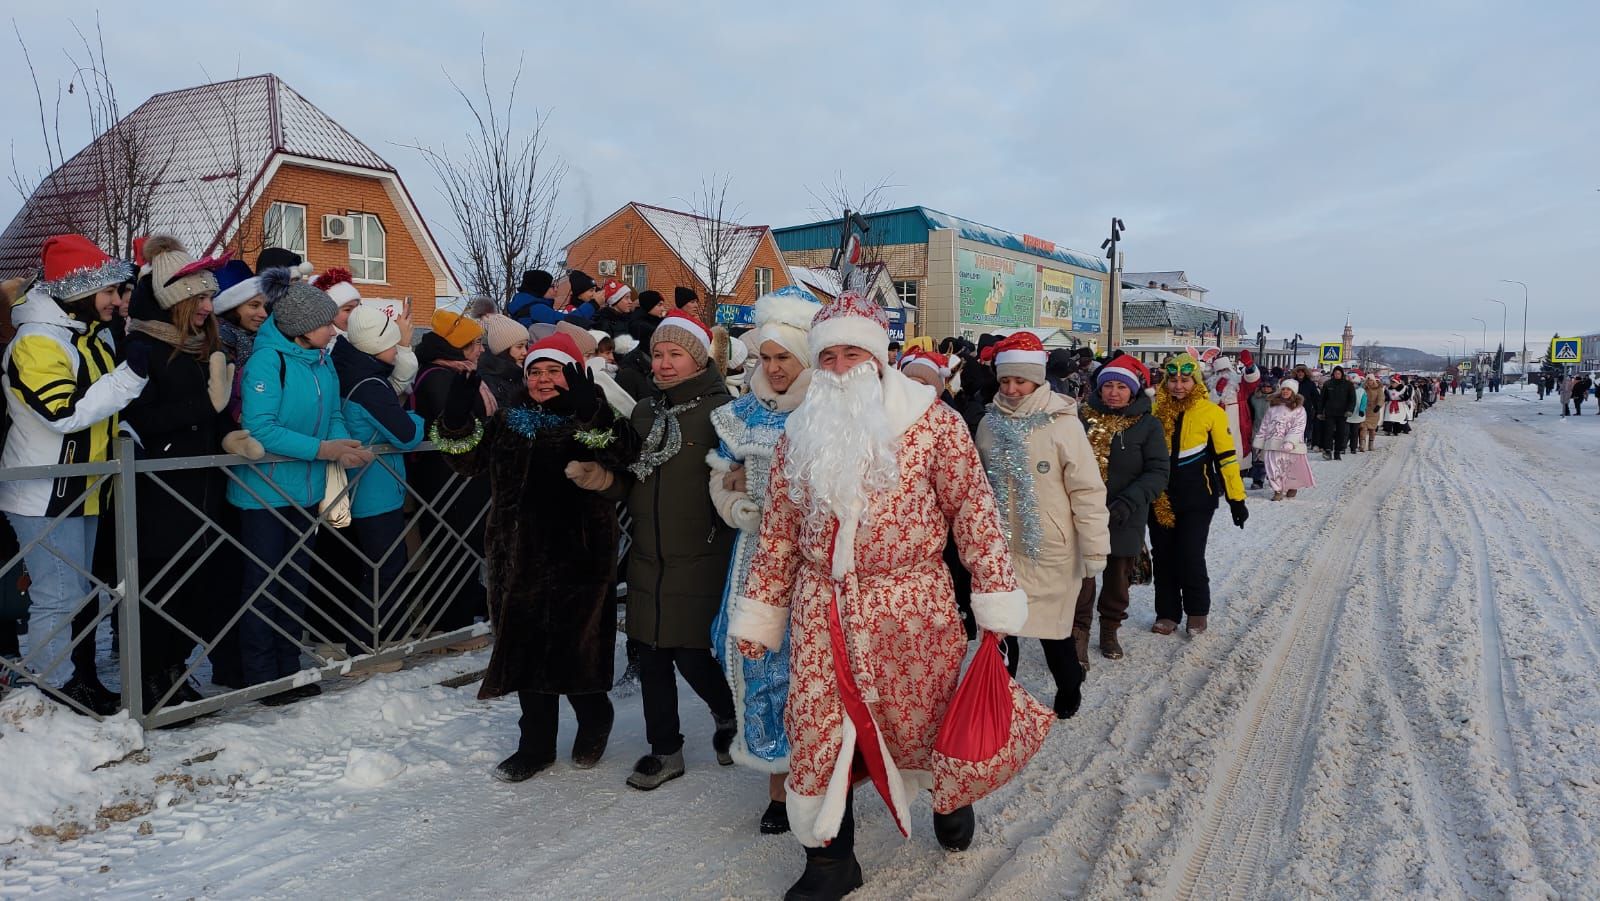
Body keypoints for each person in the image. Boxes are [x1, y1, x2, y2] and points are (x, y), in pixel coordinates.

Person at [728, 293, 1034, 898]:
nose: (841, 368)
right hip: (822, 608)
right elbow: (781, 532)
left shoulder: (933, 424)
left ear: (880, 356)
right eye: (830, 356)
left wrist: (995, 594)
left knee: (925, 716)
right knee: (815, 727)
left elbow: (974, 509)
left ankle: (948, 798)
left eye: (854, 353)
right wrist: (761, 614)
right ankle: (829, 863)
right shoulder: (799, 431)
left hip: (912, 604)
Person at [433, 333, 633, 780]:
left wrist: (591, 408)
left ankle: (594, 717)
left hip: (577, 556)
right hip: (515, 557)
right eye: (535, 371)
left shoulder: (589, 417)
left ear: (574, 374)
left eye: (553, 371)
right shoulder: (509, 421)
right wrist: (456, 417)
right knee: (524, 653)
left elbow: (621, 451)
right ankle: (536, 745)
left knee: (574, 650)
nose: (543, 379)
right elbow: (465, 461)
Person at [568, 309, 737, 791]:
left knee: (689, 653)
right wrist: (602, 480)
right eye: (658, 354)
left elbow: (742, 480)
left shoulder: (723, 414)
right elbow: (631, 481)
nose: (663, 364)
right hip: (648, 554)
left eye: (675, 355)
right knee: (652, 655)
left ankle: (728, 716)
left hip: (701, 554)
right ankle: (665, 750)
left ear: (699, 359)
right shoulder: (644, 412)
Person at [1, 235, 148, 714]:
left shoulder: (86, 335)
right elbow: (62, 412)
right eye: (107, 291)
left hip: (83, 487)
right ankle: (52, 691)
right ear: (80, 290)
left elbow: (103, 407)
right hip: (44, 490)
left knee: (77, 596)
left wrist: (126, 433)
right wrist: (129, 377)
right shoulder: (37, 341)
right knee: (57, 596)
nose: (117, 300)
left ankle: (71, 680)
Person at [705, 286, 821, 836]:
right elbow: (719, 475)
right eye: (766, 358)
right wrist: (735, 503)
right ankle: (778, 782)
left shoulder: (830, 410)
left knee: (814, 669)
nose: (773, 369)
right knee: (761, 662)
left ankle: (822, 774)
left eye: (784, 358)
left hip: (818, 563)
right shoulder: (741, 414)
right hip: (756, 559)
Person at [228, 271, 373, 699]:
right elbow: (261, 428)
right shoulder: (267, 361)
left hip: (306, 491)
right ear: (302, 327)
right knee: (265, 585)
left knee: (295, 583)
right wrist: (324, 450)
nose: (333, 330)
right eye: (327, 323)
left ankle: (290, 668)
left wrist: (345, 443)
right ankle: (262, 676)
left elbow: (331, 413)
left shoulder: (320, 362)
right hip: (264, 494)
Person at [121, 236, 235, 709]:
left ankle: (174, 668)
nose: (210, 306)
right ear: (175, 300)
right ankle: (150, 677)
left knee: (194, 587)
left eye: (210, 297)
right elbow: (140, 418)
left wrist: (229, 433)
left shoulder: (196, 345)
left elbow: (216, 412)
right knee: (161, 587)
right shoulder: (143, 347)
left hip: (203, 488)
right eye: (201, 298)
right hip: (163, 491)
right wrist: (200, 406)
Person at [976, 332, 1109, 715]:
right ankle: (1001, 699)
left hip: (1050, 547)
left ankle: (1070, 686)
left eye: (1020, 380)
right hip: (1001, 547)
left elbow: (1086, 490)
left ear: (1037, 379)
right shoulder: (988, 425)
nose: (1013, 389)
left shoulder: (1063, 426)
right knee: (1002, 633)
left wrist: (1095, 545)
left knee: (1055, 635)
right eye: (1005, 380)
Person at [333, 306, 426, 658]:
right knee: (384, 567)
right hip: (374, 489)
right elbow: (405, 434)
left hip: (363, 484)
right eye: (392, 343)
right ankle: (367, 644)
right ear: (376, 347)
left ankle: (381, 636)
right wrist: (415, 417)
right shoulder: (370, 384)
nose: (397, 349)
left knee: (379, 565)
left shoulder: (351, 370)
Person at [1148, 352, 1248, 636]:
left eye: (1185, 380)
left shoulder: (1211, 412)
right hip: (1160, 498)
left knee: (1190, 555)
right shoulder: (1155, 413)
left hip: (1197, 498)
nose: (1179, 386)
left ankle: (1197, 611)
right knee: (1163, 556)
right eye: (1173, 380)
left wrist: (1236, 499)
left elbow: (1227, 459)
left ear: (1196, 381)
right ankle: (1167, 613)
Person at [1077, 354, 1168, 662]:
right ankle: (1078, 633)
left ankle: (1109, 629)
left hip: (1125, 513)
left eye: (1121, 387)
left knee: (1118, 577)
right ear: (1099, 389)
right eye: (1108, 386)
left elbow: (1158, 471)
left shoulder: (1147, 425)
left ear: (1134, 391)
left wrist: (1128, 501)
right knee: (1082, 577)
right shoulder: (1081, 418)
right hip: (1084, 513)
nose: (1114, 392)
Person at [409, 309, 492, 640]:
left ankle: (458, 620)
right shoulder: (441, 379)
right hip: (446, 479)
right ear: (457, 347)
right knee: (451, 548)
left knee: (463, 547)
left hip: (461, 478)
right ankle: (449, 628)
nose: (481, 349)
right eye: (475, 343)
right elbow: (456, 426)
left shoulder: (456, 373)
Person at [1256, 379, 1316, 501]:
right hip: (1273, 442)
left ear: (1293, 391)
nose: (1285, 391)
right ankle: (1277, 490)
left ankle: (1292, 486)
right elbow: (1265, 424)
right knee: (1273, 467)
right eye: (1283, 389)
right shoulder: (1273, 407)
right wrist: (1260, 440)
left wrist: (1290, 441)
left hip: (1291, 446)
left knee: (1290, 467)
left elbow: (1299, 426)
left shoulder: (1299, 409)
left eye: (1288, 389)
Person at [476, 313, 531, 411]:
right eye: (519, 346)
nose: (525, 352)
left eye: (526, 346)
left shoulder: (518, 374)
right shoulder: (488, 379)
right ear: (503, 349)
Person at [1318, 366, 1356, 460]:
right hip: (1330, 412)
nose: (1337, 375)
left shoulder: (1348, 385)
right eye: (1335, 373)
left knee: (1341, 433)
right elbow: (1322, 399)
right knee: (1328, 432)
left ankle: (1337, 452)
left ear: (1342, 374)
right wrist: (1320, 412)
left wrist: (1349, 410)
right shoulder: (1328, 384)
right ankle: (1328, 450)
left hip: (1342, 413)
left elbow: (1352, 399)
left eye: (1338, 373)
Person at [1246, 379, 1273, 488]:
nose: (1266, 388)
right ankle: (1258, 479)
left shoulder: (1277, 400)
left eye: (1269, 386)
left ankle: (1273, 477)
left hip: (1272, 431)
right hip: (1257, 429)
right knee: (1257, 457)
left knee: (1271, 457)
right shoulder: (1254, 398)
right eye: (1264, 386)